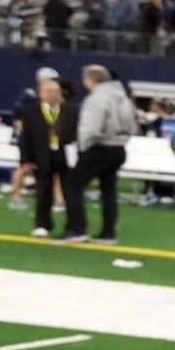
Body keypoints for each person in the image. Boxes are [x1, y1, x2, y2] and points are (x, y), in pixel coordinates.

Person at [62, 65, 137, 245]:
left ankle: (76, 229)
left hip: (99, 147)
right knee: (108, 189)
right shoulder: (123, 97)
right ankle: (108, 233)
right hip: (118, 148)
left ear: (89, 79)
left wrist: (83, 145)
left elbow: (93, 128)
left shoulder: (97, 98)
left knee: (72, 184)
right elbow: (132, 125)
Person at [22, 75, 76, 238]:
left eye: (56, 91)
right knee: (43, 191)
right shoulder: (31, 112)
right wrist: (26, 160)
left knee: (70, 191)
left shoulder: (71, 110)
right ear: (41, 93)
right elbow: (26, 138)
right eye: (49, 91)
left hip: (66, 156)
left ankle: (73, 225)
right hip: (41, 156)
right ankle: (42, 224)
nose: (53, 94)